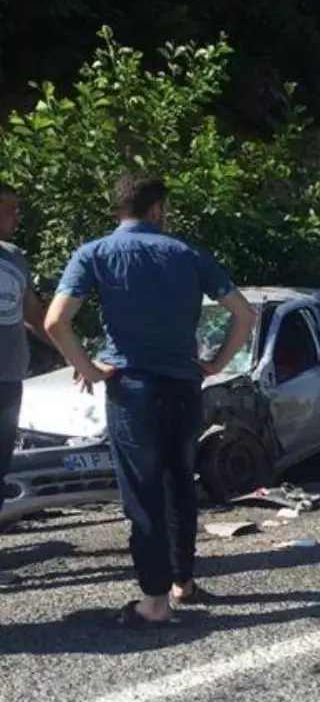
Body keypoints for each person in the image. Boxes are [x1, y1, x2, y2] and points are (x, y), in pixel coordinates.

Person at [44, 175, 256, 627]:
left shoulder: (93, 254)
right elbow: (245, 314)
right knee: (180, 481)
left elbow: (55, 322)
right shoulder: (188, 254)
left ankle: (154, 602)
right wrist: (216, 363)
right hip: (182, 385)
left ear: (118, 210)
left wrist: (88, 367)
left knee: (142, 491)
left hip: (131, 387)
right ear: (157, 210)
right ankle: (183, 580)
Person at [0, 183, 51, 525]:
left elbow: (35, 315)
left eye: (17, 208)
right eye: (8, 208)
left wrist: (76, 356)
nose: (16, 216)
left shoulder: (15, 257)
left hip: (8, 378)